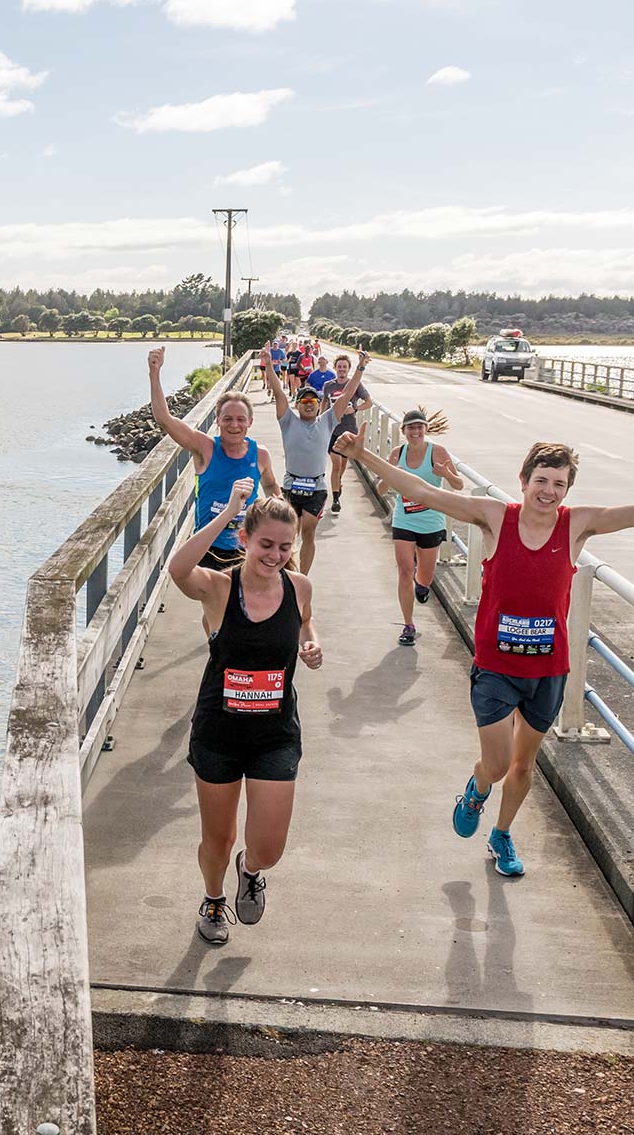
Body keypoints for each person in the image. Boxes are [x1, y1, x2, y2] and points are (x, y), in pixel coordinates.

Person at [334, 430, 634, 878]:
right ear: (524, 480)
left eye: (559, 485)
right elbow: (422, 491)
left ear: (568, 490)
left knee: (523, 765)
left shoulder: (577, 524)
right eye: (542, 481)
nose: (549, 492)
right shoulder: (495, 518)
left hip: (548, 671)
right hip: (496, 667)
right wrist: (361, 454)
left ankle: (502, 835)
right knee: (495, 764)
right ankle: (476, 790)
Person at [168, 478, 323, 945]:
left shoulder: (299, 587)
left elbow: (307, 622)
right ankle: (213, 899)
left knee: (268, 848)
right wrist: (230, 509)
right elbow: (178, 569)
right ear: (245, 540)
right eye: (265, 545)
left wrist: (311, 645)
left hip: (274, 735)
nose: (274, 554)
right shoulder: (217, 588)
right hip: (219, 734)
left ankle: (250, 871)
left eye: (283, 546)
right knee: (217, 839)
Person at [148, 346, 279, 572]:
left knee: (239, 605)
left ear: (250, 422)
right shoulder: (205, 448)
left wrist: (282, 519)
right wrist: (154, 374)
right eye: (227, 419)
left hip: (246, 547)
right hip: (207, 548)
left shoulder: (260, 455)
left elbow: (270, 485)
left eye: (240, 419)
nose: (234, 425)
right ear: (217, 420)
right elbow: (165, 420)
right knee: (215, 607)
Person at [262, 341, 371, 573]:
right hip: (291, 485)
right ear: (298, 404)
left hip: (316, 487)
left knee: (309, 532)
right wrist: (270, 364)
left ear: (318, 405)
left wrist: (360, 367)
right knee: (290, 534)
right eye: (305, 402)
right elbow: (279, 392)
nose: (309, 405)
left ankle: (302, 577)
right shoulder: (288, 421)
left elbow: (349, 392)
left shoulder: (327, 421)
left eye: (313, 401)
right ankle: (288, 573)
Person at [377, 408, 464, 647]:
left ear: (426, 429)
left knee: (424, 576)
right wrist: (391, 476)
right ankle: (408, 625)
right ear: (403, 431)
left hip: (431, 521)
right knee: (404, 571)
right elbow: (381, 489)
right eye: (410, 428)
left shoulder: (437, 452)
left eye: (419, 427)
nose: (415, 432)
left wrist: (446, 473)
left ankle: (422, 586)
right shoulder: (397, 453)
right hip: (404, 519)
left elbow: (458, 485)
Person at [320, 352, 372, 514]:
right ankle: (336, 499)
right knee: (336, 464)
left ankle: (338, 483)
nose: (342, 369)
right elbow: (324, 403)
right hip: (332, 430)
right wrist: (320, 421)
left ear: (349, 369)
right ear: (334, 368)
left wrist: (354, 408)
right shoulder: (329, 385)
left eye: (345, 367)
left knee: (342, 465)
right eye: (339, 366)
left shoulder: (355, 385)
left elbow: (369, 402)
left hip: (349, 431)